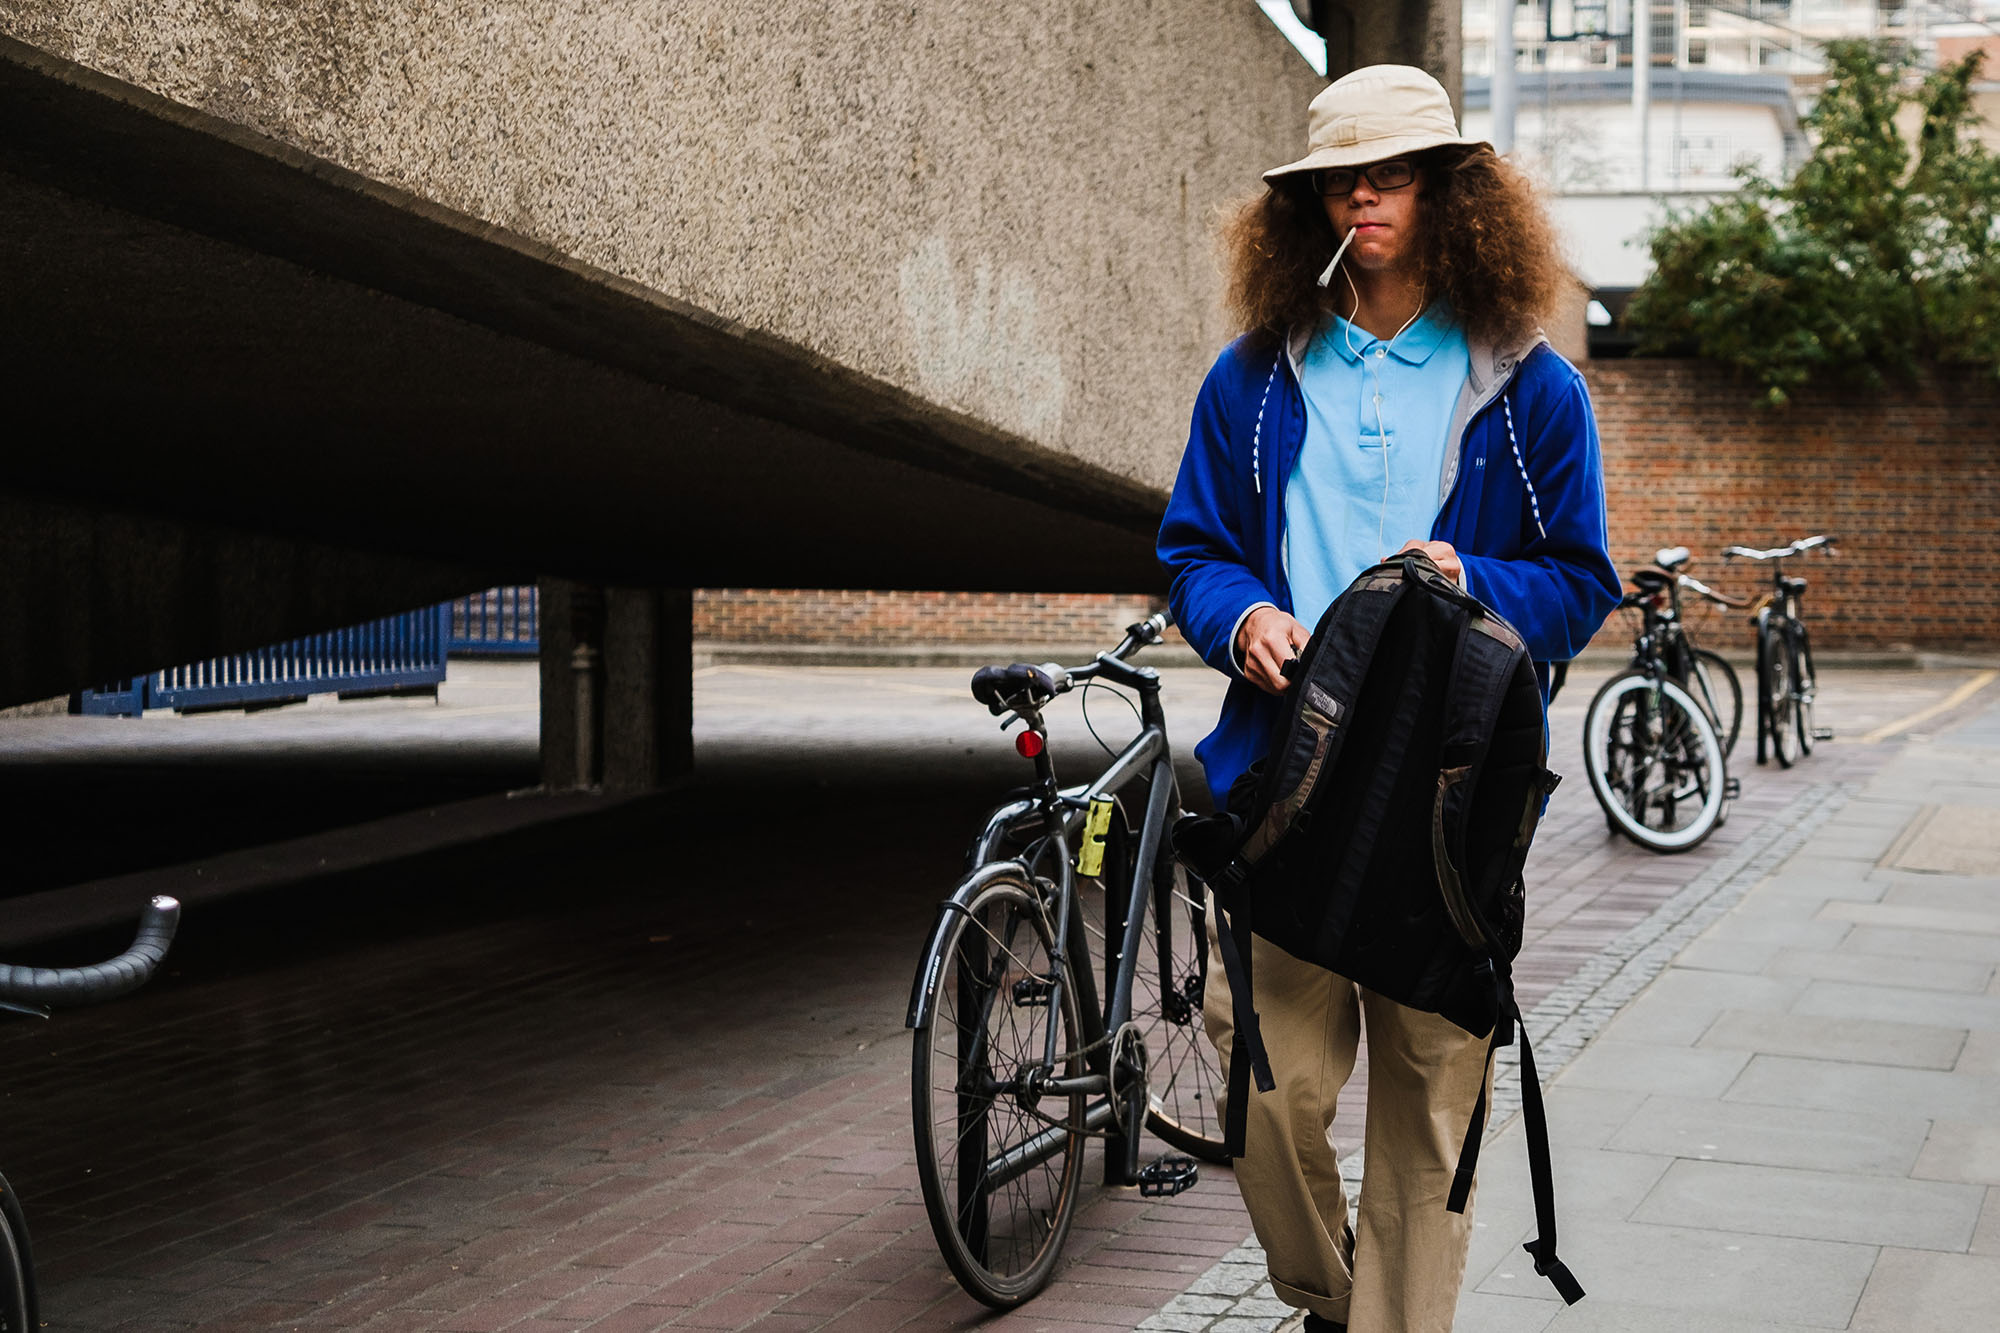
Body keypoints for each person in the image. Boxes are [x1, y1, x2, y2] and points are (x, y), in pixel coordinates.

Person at [1156, 65, 1621, 1333]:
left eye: (1393, 172)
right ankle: (1327, 1295)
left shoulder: (1530, 388)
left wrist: (1476, 575)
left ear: (1449, 193)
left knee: (1427, 1109)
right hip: (1281, 782)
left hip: (1446, 801)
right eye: (1336, 178)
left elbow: (1580, 580)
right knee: (1264, 1094)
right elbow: (1192, 550)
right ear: (1304, 204)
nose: (1361, 194)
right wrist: (1240, 615)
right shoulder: (1250, 379)